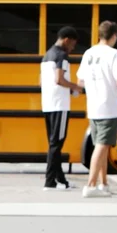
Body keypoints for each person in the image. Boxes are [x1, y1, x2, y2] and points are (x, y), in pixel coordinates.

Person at [77, 21, 117, 198]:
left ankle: (103, 183)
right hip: (109, 106)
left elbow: (80, 81)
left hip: (93, 106)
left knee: (102, 146)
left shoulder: (88, 53)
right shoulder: (115, 54)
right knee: (101, 146)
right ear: (114, 36)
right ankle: (91, 184)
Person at [40, 26, 82, 190]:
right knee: (56, 144)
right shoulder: (62, 55)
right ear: (67, 40)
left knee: (53, 143)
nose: (72, 48)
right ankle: (50, 181)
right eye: (72, 44)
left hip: (48, 103)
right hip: (60, 104)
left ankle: (60, 180)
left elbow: (42, 81)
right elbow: (59, 79)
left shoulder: (46, 55)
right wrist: (75, 87)